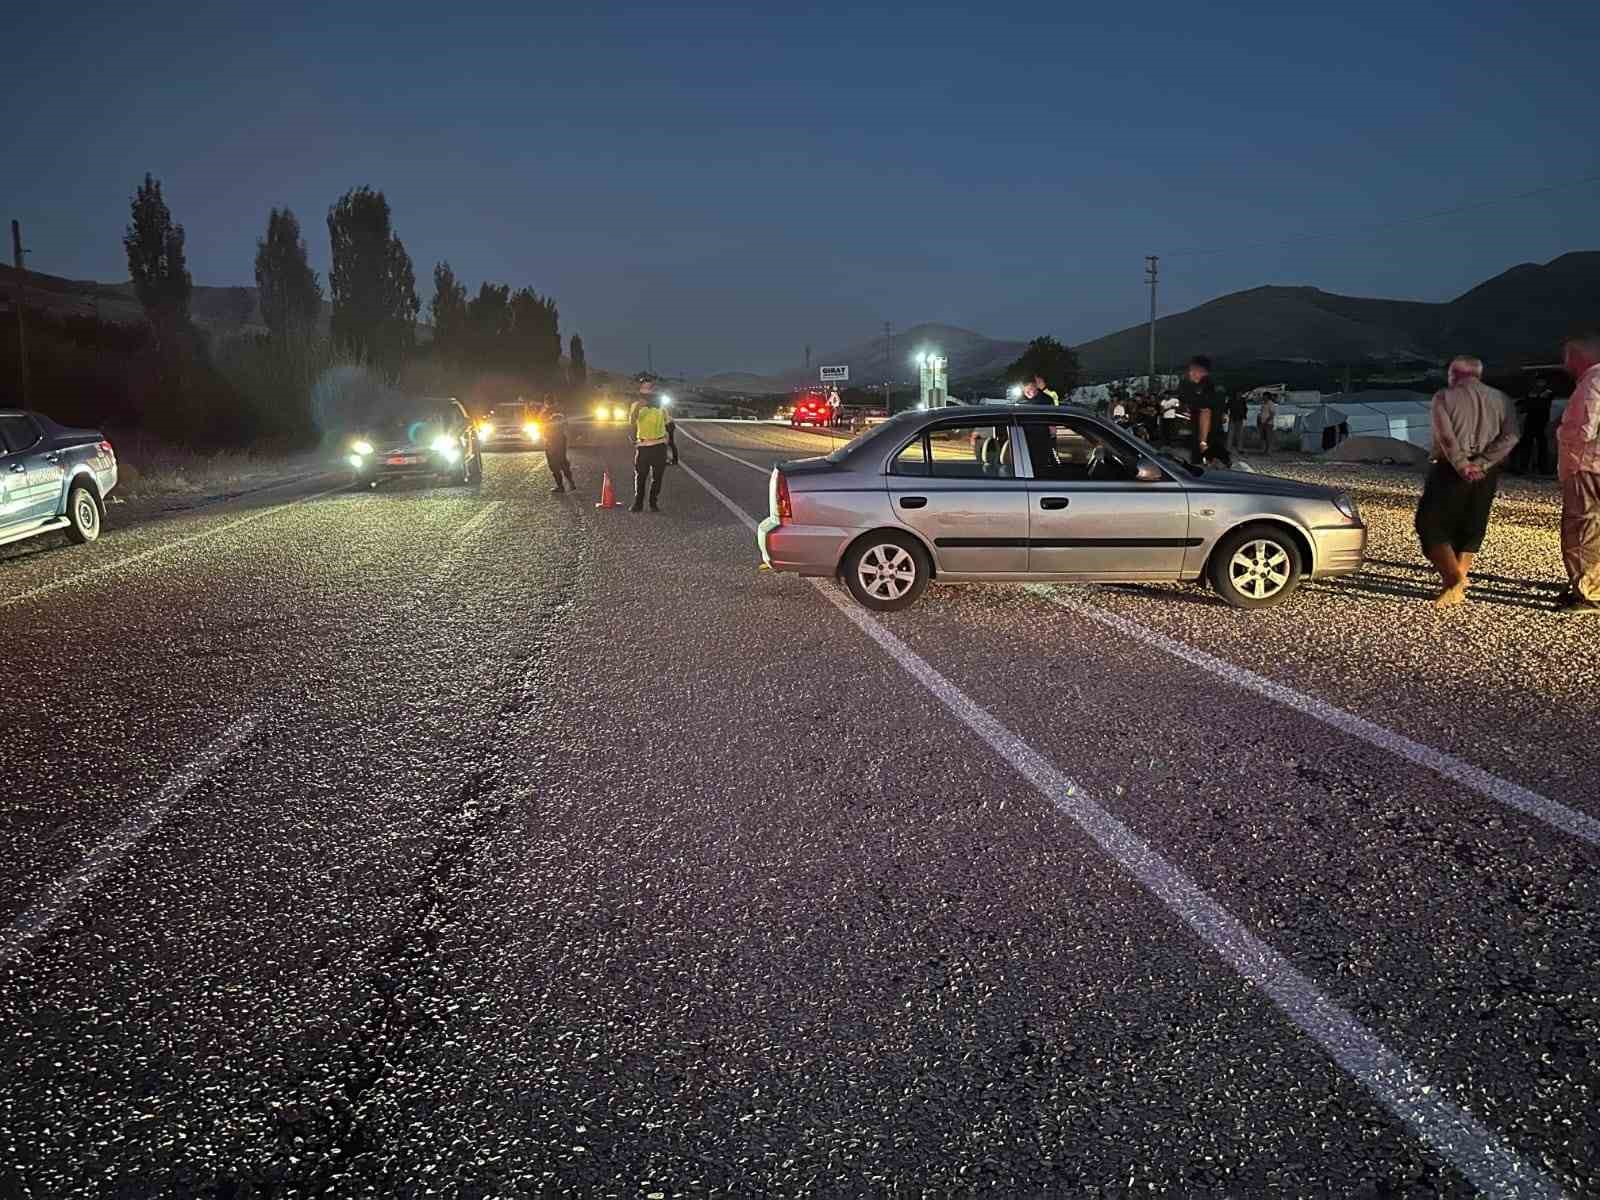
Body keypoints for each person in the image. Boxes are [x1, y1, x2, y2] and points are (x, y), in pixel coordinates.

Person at [1414, 355, 1519, 608]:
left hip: (1450, 469)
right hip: (1486, 473)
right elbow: (1512, 436)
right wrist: (1482, 463)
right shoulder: (1502, 399)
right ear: (1478, 375)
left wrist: (1462, 465)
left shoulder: (1444, 397)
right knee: (1472, 524)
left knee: (1430, 524)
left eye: (1450, 373)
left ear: (1456, 374)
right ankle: (1458, 583)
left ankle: (1454, 581)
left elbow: (1447, 438)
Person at [1555, 333, 1600, 616]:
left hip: (1588, 465)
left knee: (1582, 528)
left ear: (1579, 356)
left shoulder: (1594, 380)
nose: (1565, 364)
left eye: (1567, 357)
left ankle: (1588, 593)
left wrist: (1559, 432)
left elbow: (1582, 427)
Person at [629, 379, 678, 512]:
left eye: (649, 389)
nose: (646, 391)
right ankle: (638, 503)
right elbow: (632, 422)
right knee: (641, 476)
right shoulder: (636, 405)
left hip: (659, 446)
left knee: (658, 477)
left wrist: (670, 441)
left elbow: (669, 423)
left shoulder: (662, 407)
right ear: (640, 391)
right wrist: (639, 407)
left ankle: (653, 502)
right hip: (643, 446)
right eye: (644, 389)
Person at [1178, 356, 1228, 465]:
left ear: (1200, 371)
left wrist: (1203, 441)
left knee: (1204, 468)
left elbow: (1205, 413)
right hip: (1213, 434)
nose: (1190, 374)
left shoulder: (1205, 388)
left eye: (1191, 370)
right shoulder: (1215, 387)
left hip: (1207, 438)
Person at [1512, 377, 1555, 475]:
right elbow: (1523, 404)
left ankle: (1543, 468)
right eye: (1538, 381)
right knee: (1526, 445)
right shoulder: (1530, 393)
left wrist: (1529, 403)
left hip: (1542, 423)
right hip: (1530, 423)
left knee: (1542, 447)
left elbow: (1540, 404)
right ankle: (1523, 467)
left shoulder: (1548, 393)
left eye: (1541, 381)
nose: (1539, 383)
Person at [541, 402, 575, 494]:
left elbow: (543, 428)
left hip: (552, 442)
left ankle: (561, 487)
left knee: (554, 466)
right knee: (563, 462)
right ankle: (571, 483)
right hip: (560, 440)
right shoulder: (560, 409)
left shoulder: (545, 411)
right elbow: (566, 424)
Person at [1228, 389, 1248, 454]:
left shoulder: (1242, 400)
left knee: (1239, 434)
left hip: (1239, 418)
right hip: (1233, 418)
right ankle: (1229, 449)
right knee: (1231, 434)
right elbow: (1226, 407)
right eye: (1238, 393)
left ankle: (1239, 449)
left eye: (1240, 393)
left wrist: (1244, 415)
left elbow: (1245, 408)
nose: (1239, 395)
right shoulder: (1232, 400)